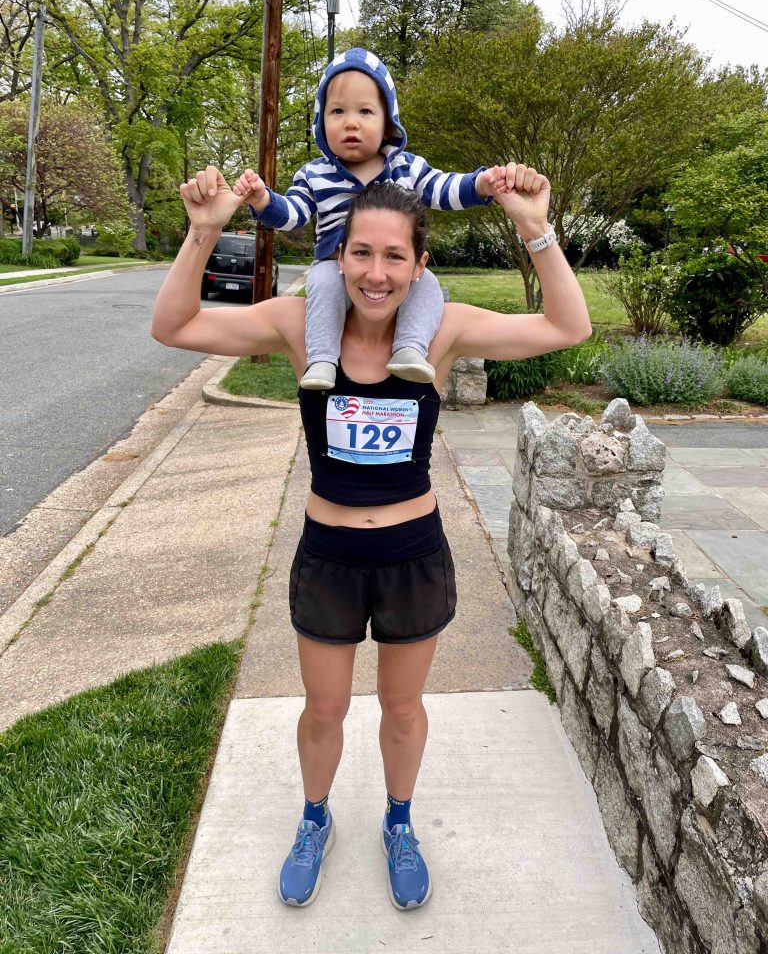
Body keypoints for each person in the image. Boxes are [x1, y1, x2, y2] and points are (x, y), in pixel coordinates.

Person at [151, 162, 591, 911]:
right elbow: (175, 326)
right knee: (323, 709)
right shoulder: (300, 324)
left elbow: (567, 327)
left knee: (401, 708)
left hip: (411, 556)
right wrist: (202, 234)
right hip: (329, 557)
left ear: (420, 266)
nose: (376, 273)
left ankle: (399, 822)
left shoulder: (443, 330)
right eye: (361, 253)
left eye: (394, 257)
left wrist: (535, 226)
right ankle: (315, 818)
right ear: (338, 257)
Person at [232, 48, 507, 391]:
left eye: (365, 110)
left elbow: (442, 187)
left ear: (387, 122)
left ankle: (409, 348)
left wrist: (479, 184)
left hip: (392, 273)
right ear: (321, 123)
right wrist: (263, 199)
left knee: (429, 286)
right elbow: (294, 215)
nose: (351, 121)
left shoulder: (406, 166)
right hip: (334, 265)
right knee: (323, 286)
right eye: (337, 111)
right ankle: (321, 359)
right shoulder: (314, 174)